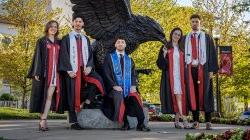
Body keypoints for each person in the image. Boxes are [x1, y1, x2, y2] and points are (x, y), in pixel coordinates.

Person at [59, 15, 105, 130]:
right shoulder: (66, 38)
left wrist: (89, 66)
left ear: (83, 24)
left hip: (84, 69)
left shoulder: (85, 39)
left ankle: (88, 101)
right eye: (76, 21)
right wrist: (68, 70)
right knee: (72, 94)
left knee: (98, 80)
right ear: (73, 23)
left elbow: (90, 55)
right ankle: (73, 122)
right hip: (72, 70)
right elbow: (63, 55)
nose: (78, 23)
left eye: (80, 22)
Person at [102, 36, 150, 132]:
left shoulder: (129, 60)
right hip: (114, 89)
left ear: (125, 45)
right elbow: (106, 73)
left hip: (128, 88)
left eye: (122, 42)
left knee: (135, 97)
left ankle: (141, 124)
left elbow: (133, 74)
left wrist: (133, 85)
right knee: (119, 95)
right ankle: (125, 123)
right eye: (118, 42)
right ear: (115, 45)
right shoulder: (109, 57)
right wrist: (114, 85)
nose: (120, 44)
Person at [181, 14, 218, 130]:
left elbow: (212, 53)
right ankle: (196, 121)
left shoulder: (207, 37)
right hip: (190, 69)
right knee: (193, 95)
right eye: (192, 21)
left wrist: (212, 70)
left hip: (204, 69)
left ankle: (208, 121)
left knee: (206, 94)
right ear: (190, 23)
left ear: (200, 23)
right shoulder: (185, 38)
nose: (194, 23)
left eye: (196, 21)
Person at [27, 20, 61, 131]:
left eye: (55, 27)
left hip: (56, 74)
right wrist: (36, 72)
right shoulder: (41, 41)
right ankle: (43, 120)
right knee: (44, 96)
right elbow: (37, 57)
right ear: (47, 28)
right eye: (51, 26)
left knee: (49, 96)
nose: (53, 28)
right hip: (45, 73)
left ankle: (43, 119)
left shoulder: (59, 42)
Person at [157, 27, 190, 129]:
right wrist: (164, 54)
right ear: (171, 34)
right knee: (178, 98)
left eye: (179, 35)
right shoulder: (165, 47)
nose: (177, 36)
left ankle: (176, 121)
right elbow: (160, 64)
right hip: (170, 77)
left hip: (180, 76)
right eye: (175, 34)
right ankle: (184, 121)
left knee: (179, 98)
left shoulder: (181, 49)